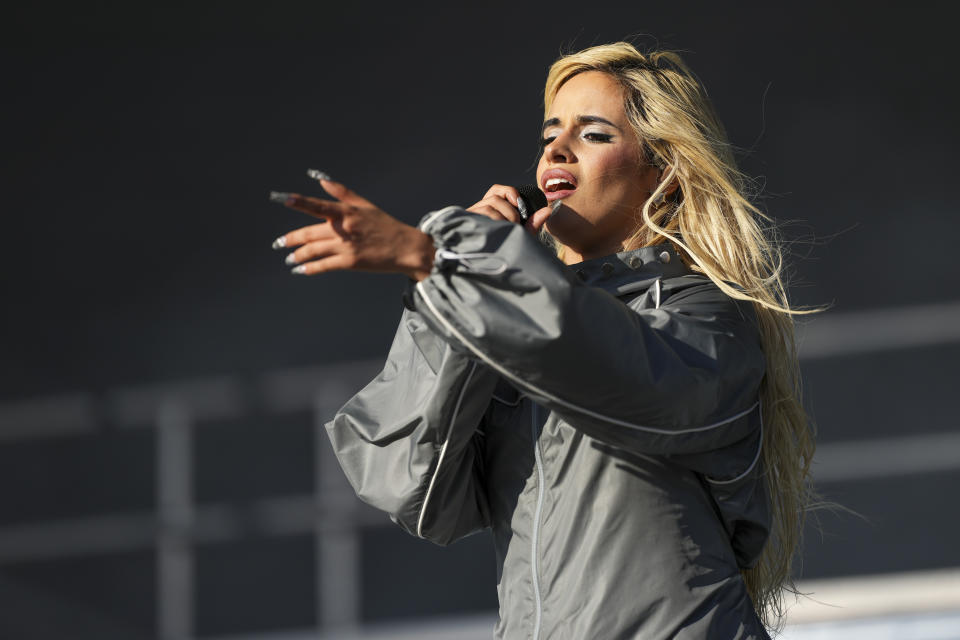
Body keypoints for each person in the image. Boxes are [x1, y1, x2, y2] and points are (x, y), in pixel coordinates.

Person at [271, 41, 815, 639]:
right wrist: (450, 292)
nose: (556, 149)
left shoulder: (704, 316)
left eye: (595, 134)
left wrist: (449, 259)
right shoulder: (508, 313)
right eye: (550, 132)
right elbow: (407, 485)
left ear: (663, 171)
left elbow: (609, 369)